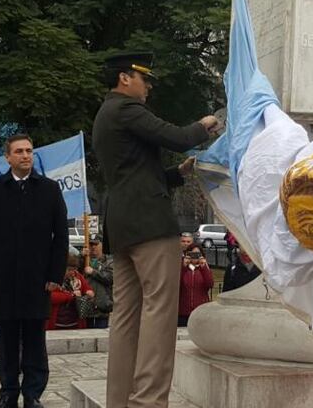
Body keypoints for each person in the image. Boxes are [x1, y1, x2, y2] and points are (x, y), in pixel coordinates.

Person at [92, 52, 219, 407]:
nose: (148, 85)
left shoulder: (106, 115)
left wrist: (179, 174)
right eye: (143, 78)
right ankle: (148, 401)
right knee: (160, 316)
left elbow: (136, 175)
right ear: (124, 78)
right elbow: (177, 136)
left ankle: (119, 400)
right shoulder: (126, 109)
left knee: (126, 318)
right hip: (149, 226)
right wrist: (205, 123)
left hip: (123, 225)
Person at [0, 134, 68, 408]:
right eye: (19, 151)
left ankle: (33, 393)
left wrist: (55, 275)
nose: (26, 155)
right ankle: (8, 392)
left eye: (29, 151)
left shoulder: (49, 189)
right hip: (3, 278)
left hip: (37, 279)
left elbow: (60, 237)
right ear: (7, 157)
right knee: (6, 339)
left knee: (35, 339)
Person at [47, 251, 94, 330]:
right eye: (69, 270)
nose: (72, 272)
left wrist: (89, 292)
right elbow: (50, 296)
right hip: (56, 324)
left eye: (74, 269)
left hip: (75, 323)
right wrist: (71, 295)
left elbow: (87, 288)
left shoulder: (78, 276)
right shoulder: (53, 278)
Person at [178, 244, 214, 327]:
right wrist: (183, 266)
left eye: (197, 254)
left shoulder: (204, 269)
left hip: (200, 311)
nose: (194, 257)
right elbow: (176, 285)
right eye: (192, 254)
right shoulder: (183, 269)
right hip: (183, 312)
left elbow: (210, 284)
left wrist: (203, 267)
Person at [82, 236, 113, 329]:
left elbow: (110, 278)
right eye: (91, 244)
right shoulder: (84, 260)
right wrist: (81, 256)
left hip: (102, 306)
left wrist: (93, 272)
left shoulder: (109, 261)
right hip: (86, 307)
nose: (93, 247)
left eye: (96, 244)